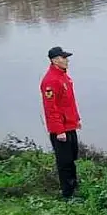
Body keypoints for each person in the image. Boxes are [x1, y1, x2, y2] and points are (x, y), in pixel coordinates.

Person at [41, 46, 82, 199]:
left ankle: (74, 186)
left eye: (66, 58)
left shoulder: (63, 77)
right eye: (64, 58)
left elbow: (69, 102)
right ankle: (68, 194)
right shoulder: (50, 81)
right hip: (61, 130)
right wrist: (59, 131)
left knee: (72, 159)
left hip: (69, 125)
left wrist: (76, 119)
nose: (67, 60)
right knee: (64, 162)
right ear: (55, 60)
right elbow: (51, 108)